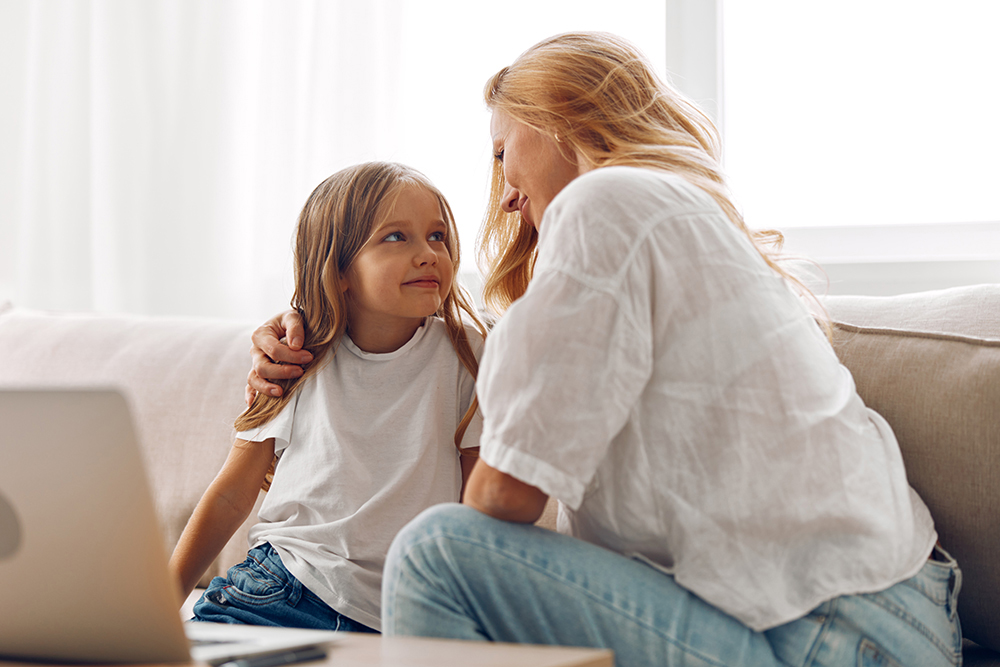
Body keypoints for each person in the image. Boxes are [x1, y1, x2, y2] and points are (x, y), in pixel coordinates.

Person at [248, 33, 962, 667]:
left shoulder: (606, 202)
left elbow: (503, 497)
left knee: (435, 553)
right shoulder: (678, 224)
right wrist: (317, 327)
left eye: (502, 152)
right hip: (874, 624)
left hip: (833, 631)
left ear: (559, 118)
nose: (505, 197)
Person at [169, 161, 486, 634]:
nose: (427, 254)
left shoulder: (469, 354)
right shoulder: (295, 355)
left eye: (437, 236)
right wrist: (158, 607)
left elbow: (475, 510)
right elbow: (231, 495)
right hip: (280, 587)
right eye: (396, 237)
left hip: (401, 611)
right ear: (338, 271)